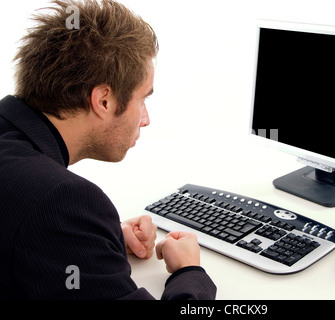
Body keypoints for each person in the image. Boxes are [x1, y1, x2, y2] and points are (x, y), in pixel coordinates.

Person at [0, 0, 217, 300]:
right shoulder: (60, 201)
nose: (146, 119)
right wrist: (189, 272)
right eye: (143, 99)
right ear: (103, 101)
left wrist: (97, 239)